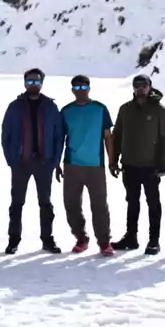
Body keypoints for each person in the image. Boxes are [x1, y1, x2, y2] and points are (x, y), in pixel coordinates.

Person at [0, 68, 64, 255]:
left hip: (44, 163)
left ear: (42, 83)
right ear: (24, 83)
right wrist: (12, 159)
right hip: (21, 163)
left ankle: (47, 239)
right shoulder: (15, 106)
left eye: (36, 81)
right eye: (29, 81)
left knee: (45, 203)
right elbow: (6, 134)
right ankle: (13, 239)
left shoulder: (50, 107)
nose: (33, 84)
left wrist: (55, 161)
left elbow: (59, 136)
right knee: (17, 203)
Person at [109, 74, 165, 255]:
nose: (140, 89)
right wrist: (113, 160)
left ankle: (154, 240)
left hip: (151, 166)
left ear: (149, 87)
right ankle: (131, 237)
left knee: (153, 203)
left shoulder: (160, 111)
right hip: (129, 164)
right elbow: (118, 136)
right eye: (137, 85)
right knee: (132, 202)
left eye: (143, 85)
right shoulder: (125, 109)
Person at [59, 75, 116, 256]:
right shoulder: (66, 111)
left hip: (95, 166)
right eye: (76, 87)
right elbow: (60, 139)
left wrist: (112, 161)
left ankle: (104, 242)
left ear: (89, 88)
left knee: (99, 206)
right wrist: (56, 163)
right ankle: (81, 238)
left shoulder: (100, 109)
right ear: (72, 89)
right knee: (71, 204)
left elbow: (108, 136)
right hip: (72, 165)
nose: (80, 90)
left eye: (83, 87)